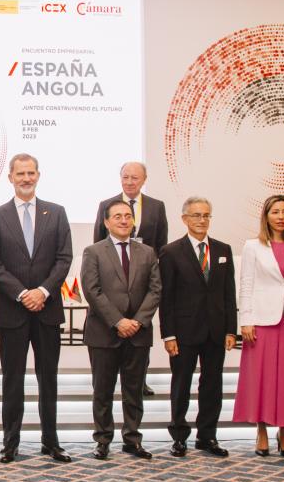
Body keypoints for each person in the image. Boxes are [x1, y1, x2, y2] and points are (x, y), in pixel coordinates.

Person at [0, 154, 74, 463]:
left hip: (47, 310)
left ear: (38, 175)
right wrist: (23, 293)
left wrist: (44, 291)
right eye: (20, 173)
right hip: (13, 311)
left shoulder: (57, 212)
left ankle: (51, 441)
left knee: (49, 379)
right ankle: (11, 443)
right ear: (10, 177)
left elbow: (64, 258)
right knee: (13, 379)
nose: (25, 178)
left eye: (30, 172)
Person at [233, 195, 284, 457]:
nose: (280, 217)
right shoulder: (252, 246)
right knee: (262, 378)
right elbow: (246, 285)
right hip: (262, 321)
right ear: (266, 216)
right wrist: (245, 320)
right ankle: (261, 431)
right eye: (275, 212)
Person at [81, 200, 162, 460]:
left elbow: (155, 289)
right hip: (104, 333)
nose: (124, 220)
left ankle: (132, 439)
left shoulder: (147, 252)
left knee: (134, 390)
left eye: (128, 216)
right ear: (106, 222)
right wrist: (118, 321)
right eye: (118, 216)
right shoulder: (93, 251)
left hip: (138, 333)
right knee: (102, 390)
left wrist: (137, 321)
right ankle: (103, 440)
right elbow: (92, 290)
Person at [158, 197, 236, 458]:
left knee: (212, 385)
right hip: (183, 332)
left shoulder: (223, 250)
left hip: (215, 331)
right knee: (181, 384)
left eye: (206, 215)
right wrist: (168, 334)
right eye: (196, 215)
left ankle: (207, 436)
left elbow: (229, 294)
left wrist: (230, 330)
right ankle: (179, 437)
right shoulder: (170, 252)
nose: (202, 220)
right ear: (184, 219)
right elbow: (166, 298)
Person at [93, 161, 167, 397]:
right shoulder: (106, 205)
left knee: (139, 340)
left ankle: (140, 381)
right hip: (112, 282)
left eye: (135, 178)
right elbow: (98, 243)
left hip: (142, 281)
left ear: (144, 179)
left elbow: (161, 246)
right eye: (125, 177)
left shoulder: (157, 207)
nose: (130, 182)